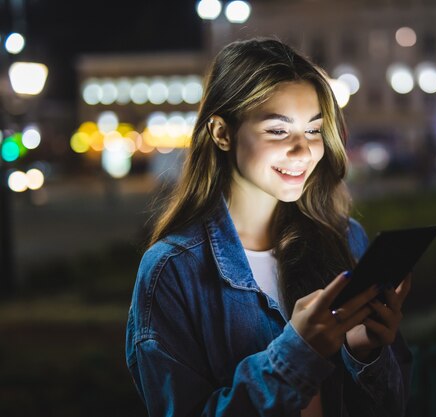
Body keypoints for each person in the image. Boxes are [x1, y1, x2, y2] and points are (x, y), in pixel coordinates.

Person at [125, 38, 413, 417]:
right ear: (221, 133)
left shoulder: (344, 238)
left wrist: (365, 352)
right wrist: (298, 353)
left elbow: (392, 405)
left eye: (313, 130)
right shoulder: (172, 270)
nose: (303, 150)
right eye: (278, 131)